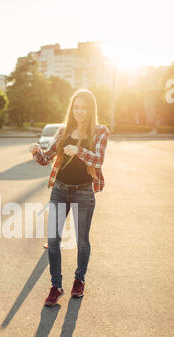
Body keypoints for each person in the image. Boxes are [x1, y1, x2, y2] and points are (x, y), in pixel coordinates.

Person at [30, 89, 110, 307]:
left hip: (84, 191)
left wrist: (79, 150)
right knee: (53, 240)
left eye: (84, 108)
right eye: (76, 107)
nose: (80, 111)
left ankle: (79, 280)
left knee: (82, 242)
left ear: (91, 109)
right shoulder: (64, 131)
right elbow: (47, 158)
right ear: (72, 109)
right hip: (60, 189)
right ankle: (56, 286)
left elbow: (98, 160)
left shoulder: (100, 131)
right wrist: (37, 152)